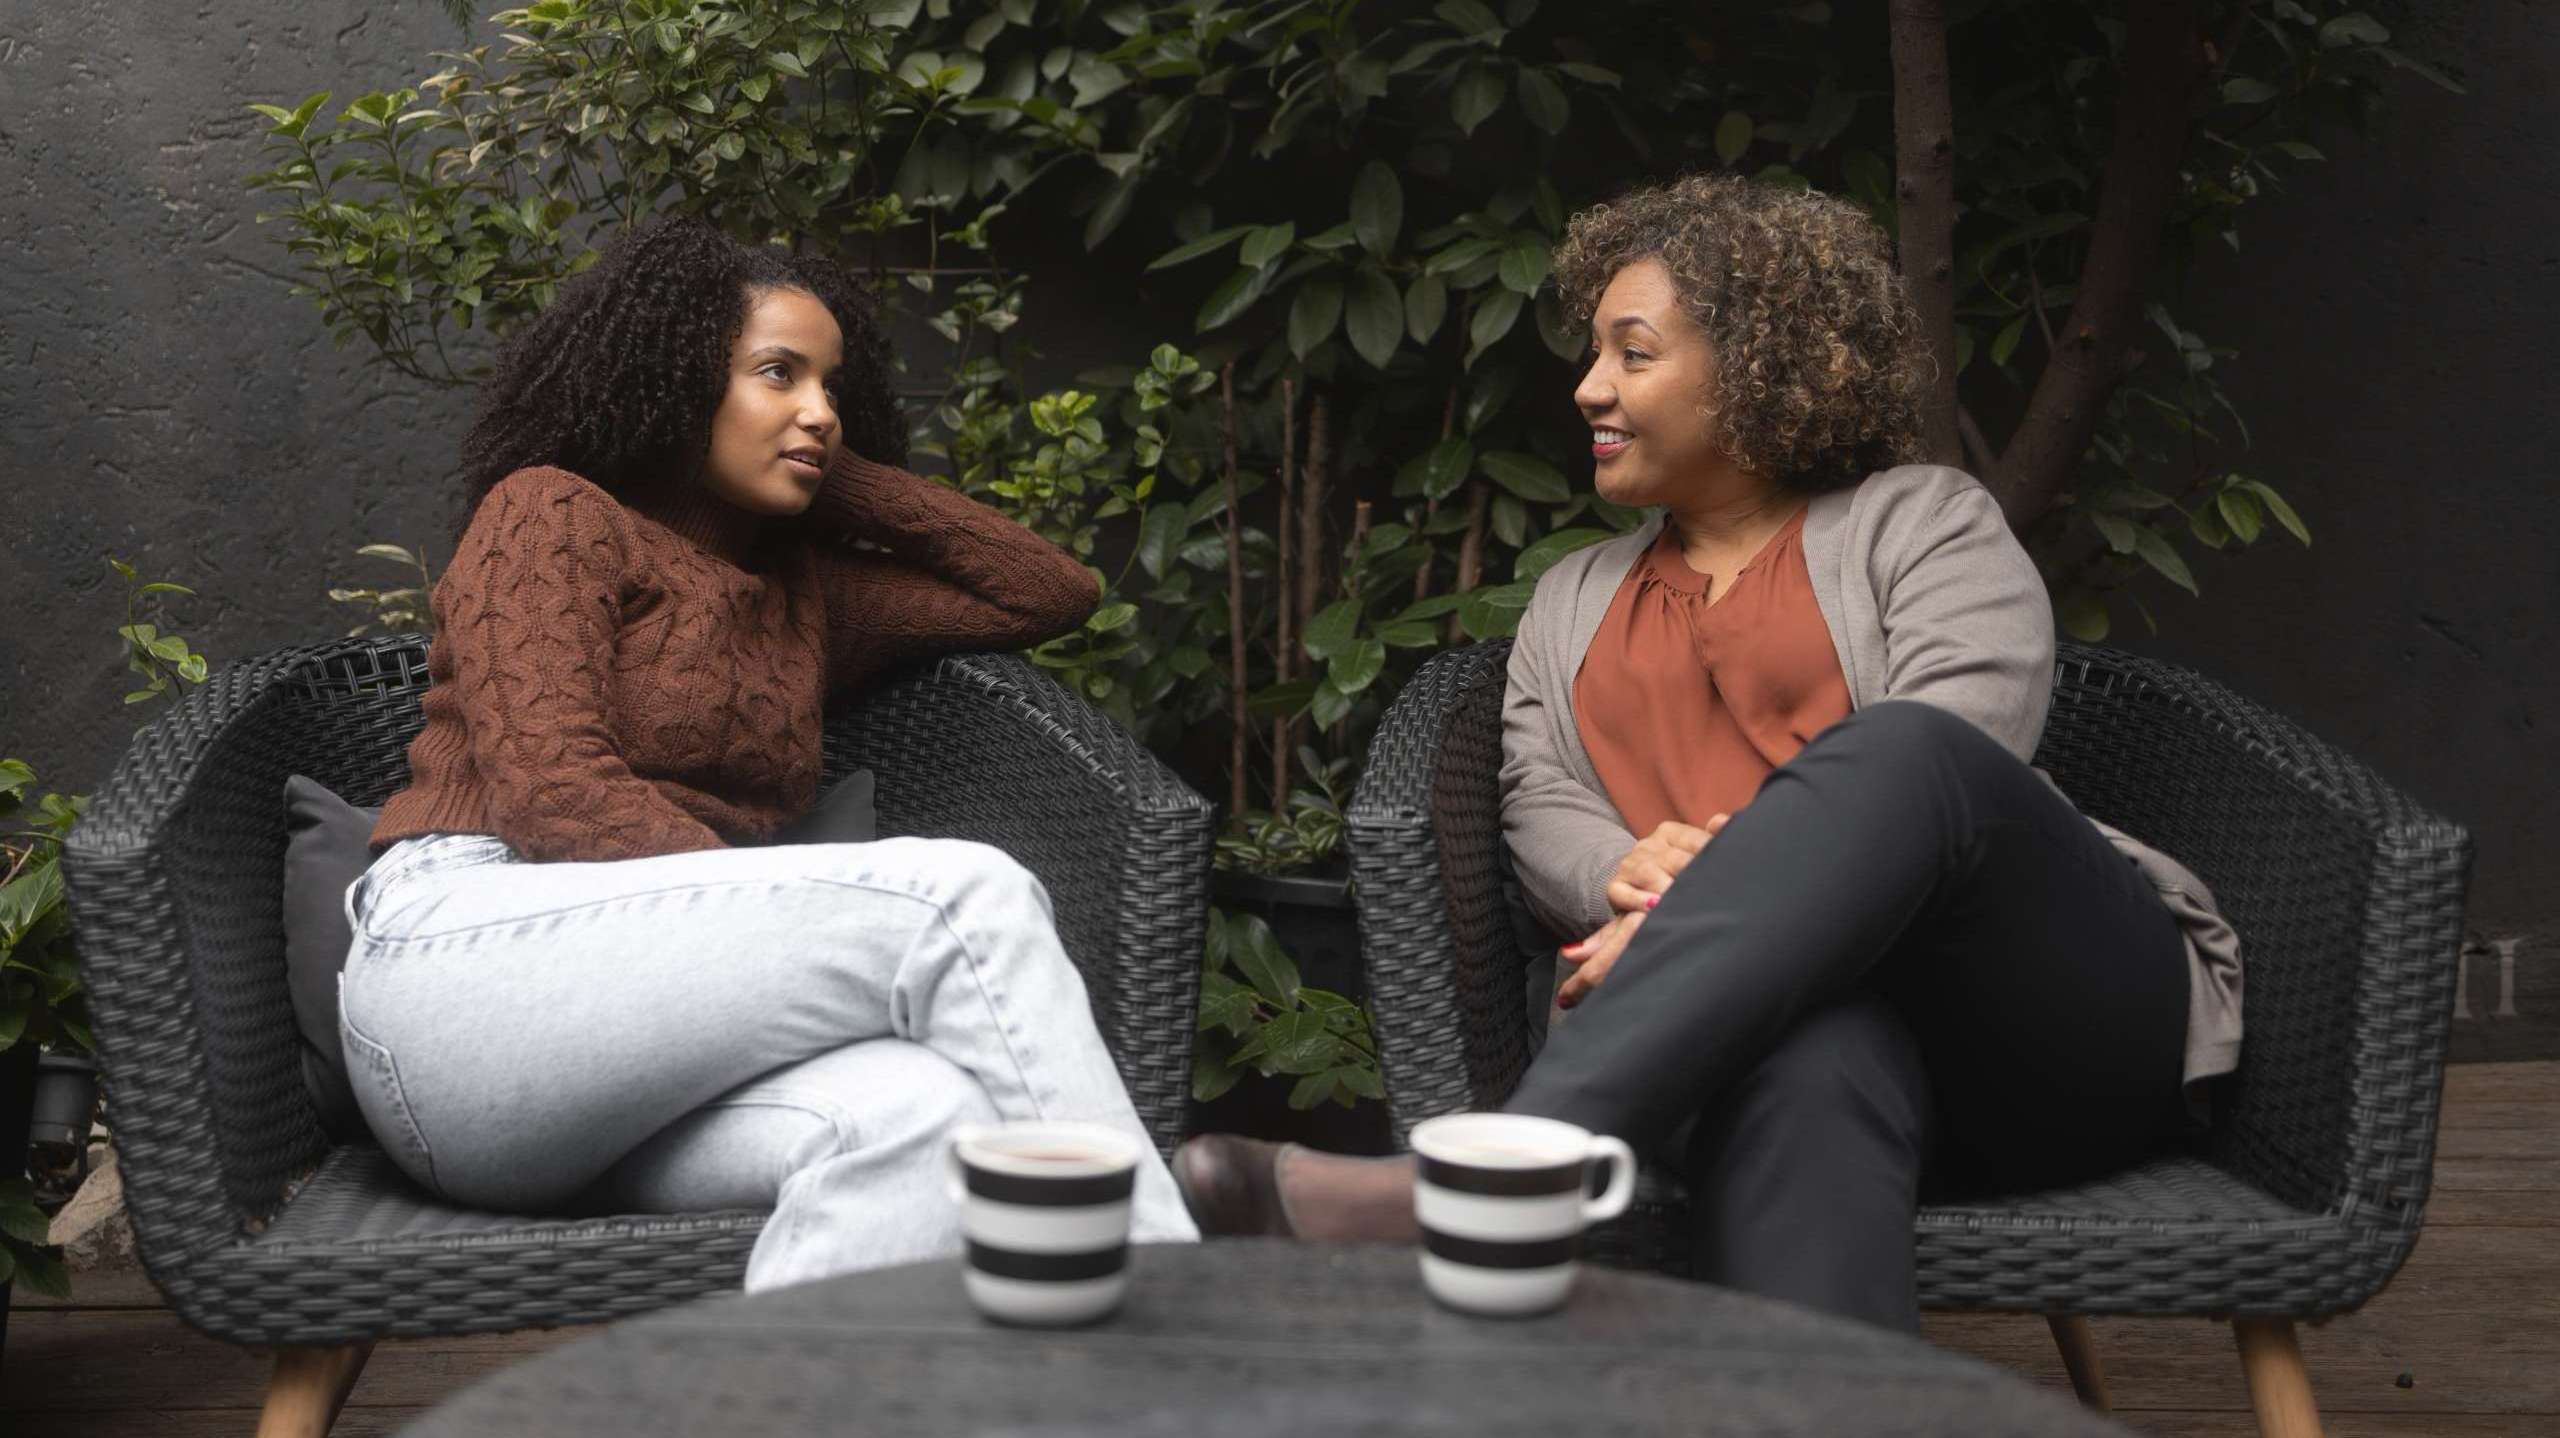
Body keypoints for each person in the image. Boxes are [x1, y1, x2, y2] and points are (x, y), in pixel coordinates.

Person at [1173, 174, 2241, 1333]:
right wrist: (1619, 873)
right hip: (1760, 1052)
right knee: (1808, 1059)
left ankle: (1509, 1162)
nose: (1589, 387)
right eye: (1593, 354)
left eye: (1632, 354)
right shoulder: (1570, 600)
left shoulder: (1924, 523)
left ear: (1759, 369)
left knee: (1908, 749)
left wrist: (1697, 913)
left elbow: (1960, 755)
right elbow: (1537, 794)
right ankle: (1813, 1404)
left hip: (2035, 1027)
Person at [337, 215, 1198, 1291]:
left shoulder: (805, 597)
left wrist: (838, 472)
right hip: (460, 980)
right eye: (779, 374)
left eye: (834, 389)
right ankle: (1173, 1312)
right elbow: (556, 799)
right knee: (962, 898)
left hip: (631, 1061)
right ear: (673, 381)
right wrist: (771, 905)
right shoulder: (550, 515)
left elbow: (1048, 591)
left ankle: (783, 1379)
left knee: (923, 1117)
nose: (821, 411)